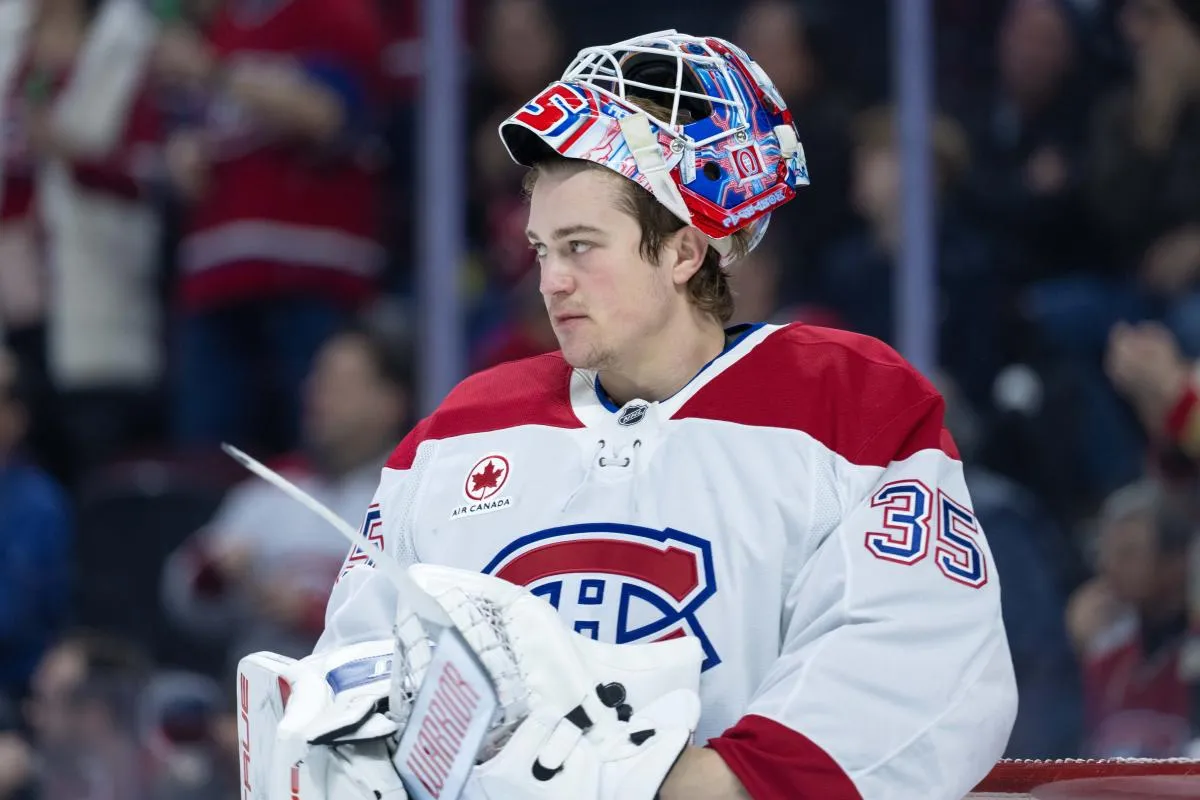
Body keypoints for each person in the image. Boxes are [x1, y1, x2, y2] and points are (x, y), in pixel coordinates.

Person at [247, 30, 1017, 799]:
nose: (551, 282)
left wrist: (686, 786)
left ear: (686, 251)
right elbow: (359, 663)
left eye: (582, 247)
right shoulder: (459, 433)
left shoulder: (849, 405)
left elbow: (921, 658)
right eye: (542, 249)